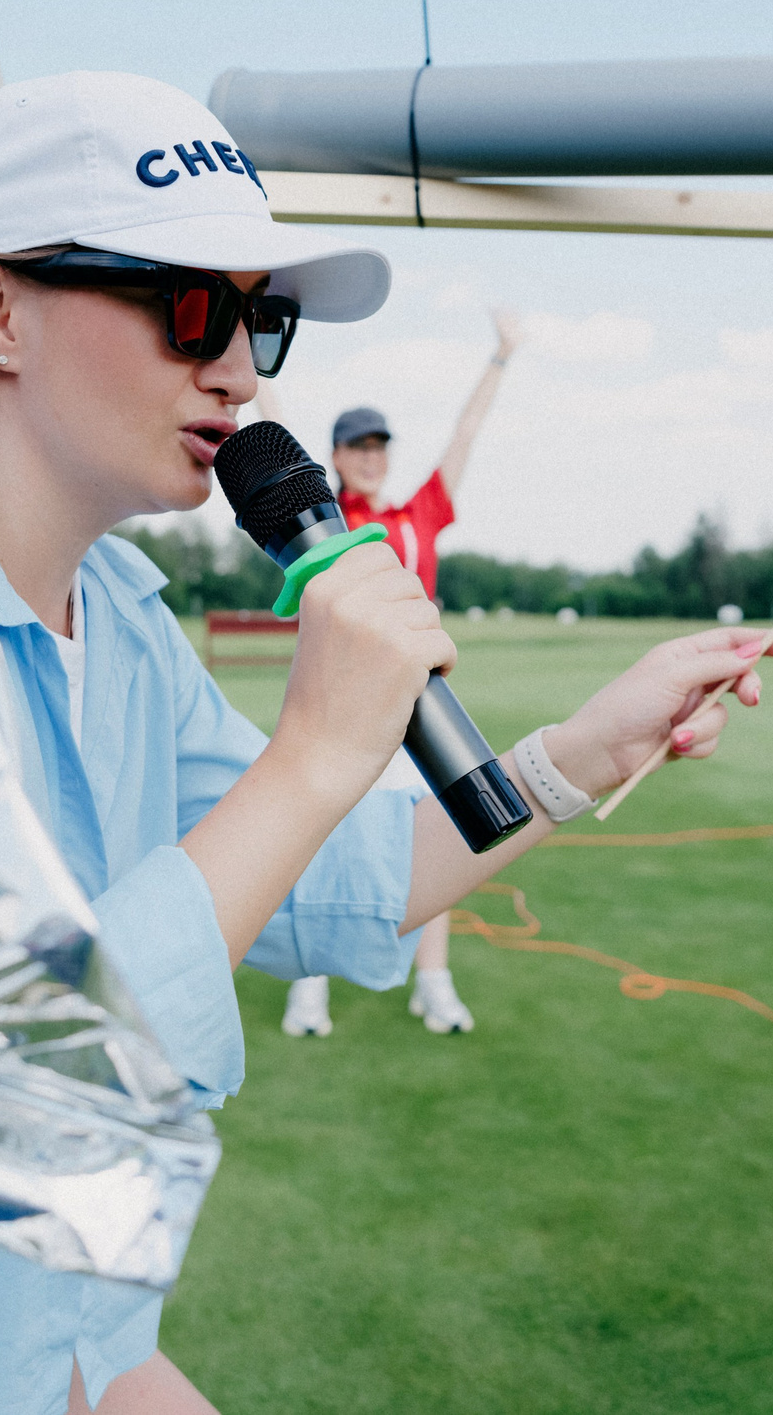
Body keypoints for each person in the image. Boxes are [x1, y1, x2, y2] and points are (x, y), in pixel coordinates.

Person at [0, 71, 773, 1415]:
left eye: (260, 319)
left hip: (74, 1349)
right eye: (191, 308)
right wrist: (317, 746)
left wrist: (577, 752)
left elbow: (336, 883)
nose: (235, 366)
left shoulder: (120, 615)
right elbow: (0, 1058)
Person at [280, 316, 522, 1039]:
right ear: (336, 455)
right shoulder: (328, 516)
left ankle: (434, 984)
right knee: (321, 835)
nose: (371, 457)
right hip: (345, 699)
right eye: (358, 446)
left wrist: (500, 357)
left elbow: (464, 437)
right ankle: (309, 986)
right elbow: (272, 422)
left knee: (435, 840)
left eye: (379, 445)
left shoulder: (417, 516)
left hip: (421, 703)